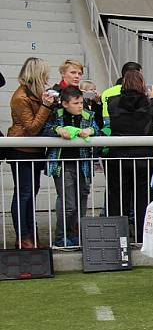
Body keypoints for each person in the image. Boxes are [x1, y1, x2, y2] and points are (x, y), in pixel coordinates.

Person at [105, 68, 153, 241]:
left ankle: (118, 238)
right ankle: (140, 237)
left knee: (118, 198)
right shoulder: (147, 103)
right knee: (142, 198)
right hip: (143, 157)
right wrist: (152, 98)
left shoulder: (112, 102)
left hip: (118, 157)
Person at [8, 58, 56, 248]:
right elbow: (33, 127)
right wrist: (46, 106)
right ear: (37, 74)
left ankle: (30, 233)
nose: (47, 77)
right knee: (24, 194)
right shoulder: (21, 97)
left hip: (33, 150)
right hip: (21, 150)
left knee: (31, 193)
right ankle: (23, 236)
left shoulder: (34, 94)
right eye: (44, 73)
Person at [43, 86, 99, 247]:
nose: (80, 106)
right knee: (68, 205)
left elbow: (98, 130)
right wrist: (58, 129)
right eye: (76, 103)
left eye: (81, 102)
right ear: (65, 104)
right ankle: (61, 237)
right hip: (62, 165)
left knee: (81, 202)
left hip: (83, 165)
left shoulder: (88, 115)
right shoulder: (56, 114)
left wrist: (91, 130)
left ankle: (74, 234)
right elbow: (45, 130)